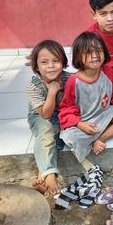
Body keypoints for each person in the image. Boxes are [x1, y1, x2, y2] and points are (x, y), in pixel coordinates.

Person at [59, 31, 113, 162]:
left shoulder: (108, 72)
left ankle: (102, 138)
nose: (94, 56)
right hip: (86, 121)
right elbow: (66, 109)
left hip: (106, 113)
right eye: (88, 52)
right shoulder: (73, 81)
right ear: (78, 56)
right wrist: (79, 124)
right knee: (72, 137)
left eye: (98, 51)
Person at [27, 39, 70, 196]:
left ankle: (42, 176)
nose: (51, 66)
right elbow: (45, 114)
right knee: (46, 131)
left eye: (56, 61)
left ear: (63, 62)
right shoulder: (34, 86)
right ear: (37, 66)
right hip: (40, 116)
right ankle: (51, 176)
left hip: (61, 115)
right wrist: (52, 92)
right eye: (44, 62)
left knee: (59, 138)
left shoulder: (69, 79)